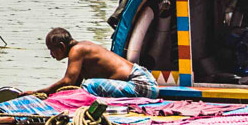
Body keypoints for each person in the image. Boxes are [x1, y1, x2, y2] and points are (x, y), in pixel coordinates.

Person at [31, 27, 159, 100]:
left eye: (52, 50)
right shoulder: (81, 51)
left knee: (90, 85)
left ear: (62, 46)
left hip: (141, 84)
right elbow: (73, 86)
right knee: (82, 88)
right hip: (144, 82)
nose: (51, 55)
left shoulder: (77, 50)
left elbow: (68, 81)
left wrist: (39, 91)